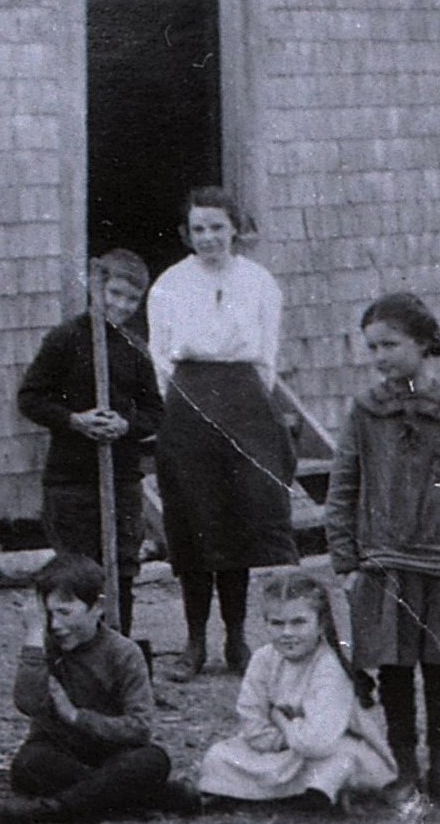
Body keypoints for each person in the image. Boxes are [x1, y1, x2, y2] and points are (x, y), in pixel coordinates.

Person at [324, 293, 440, 815]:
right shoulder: (365, 412)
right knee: (394, 672)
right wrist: (347, 562)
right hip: (382, 564)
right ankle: (406, 776)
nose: (379, 356)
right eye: (372, 347)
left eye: (390, 345)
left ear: (423, 344)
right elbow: (343, 488)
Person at [147, 186, 296, 680]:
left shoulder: (258, 281)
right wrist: (178, 405)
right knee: (194, 519)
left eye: (216, 226)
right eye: (198, 229)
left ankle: (235, 638)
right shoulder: (170, 283)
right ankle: (194, 642)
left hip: (243, 398)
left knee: (238, 519)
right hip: (189, 398)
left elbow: (268, 353)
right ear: (186, 235)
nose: (208, 236)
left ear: (235, 227)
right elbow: (160, 354)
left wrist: (250, 399)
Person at [0, 554, 192, 824]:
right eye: (48, 614)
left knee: (152, 760)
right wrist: (33, 636)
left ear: (97, 607)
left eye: (65, 613)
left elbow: (139, 727)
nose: (55, 625)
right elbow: (27, 703)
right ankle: (150, 796)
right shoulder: (44, 646)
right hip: (62, 753)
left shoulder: (124, 653)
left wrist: (76, 716)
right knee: (28, 764)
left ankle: (48, 813)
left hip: (115, 752)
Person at [16, 249, 164, 636]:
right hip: (71, 481)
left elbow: (155, 412)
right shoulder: (65, 339)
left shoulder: (134, 348)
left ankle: (119, 651)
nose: (120, 305)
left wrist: (125, 425)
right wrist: (74, 420)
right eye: (113, 293)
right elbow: (30, 398)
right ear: (95, 288)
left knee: (122, 570)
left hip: (122, 479)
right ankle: (73, 658)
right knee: (75, 574)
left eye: (131, 299)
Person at [194, 571, 397, 809]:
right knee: (218, 756)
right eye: (277, 623)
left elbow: (316, 742)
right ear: (266, 623)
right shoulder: (262, 659)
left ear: (320, 623)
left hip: (329, 748)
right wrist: (280, 741)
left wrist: (278, 717)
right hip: (285, 749)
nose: (287, 633)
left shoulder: (330, 666)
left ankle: (308, 796)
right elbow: (252, 721)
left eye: (298, 622)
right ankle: (288, 793)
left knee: (341, 760)